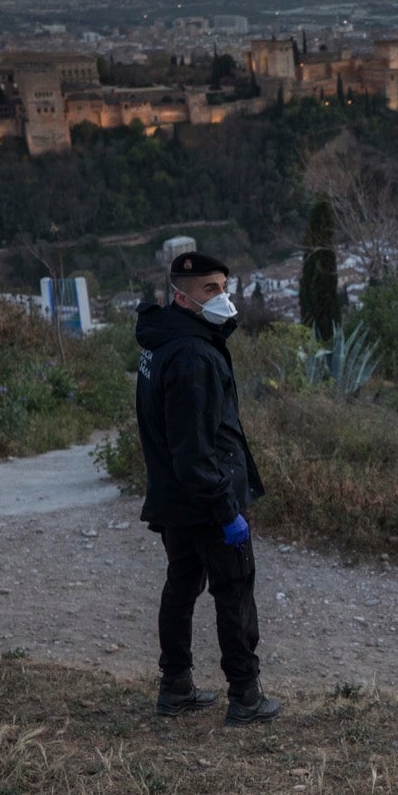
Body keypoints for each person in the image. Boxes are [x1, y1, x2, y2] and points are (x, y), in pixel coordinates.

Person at [135, 252, 281, 726]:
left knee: (181, 585)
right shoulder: (193, 356)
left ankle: (174, 687)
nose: (223, 298)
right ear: (181, 296)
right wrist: (226, 511)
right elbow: (194, 451)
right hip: (205, 501)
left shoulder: (162, 341)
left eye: (223, 286)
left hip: (174, 499)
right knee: (233, 591)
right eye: (209, 290)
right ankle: (245, 696)